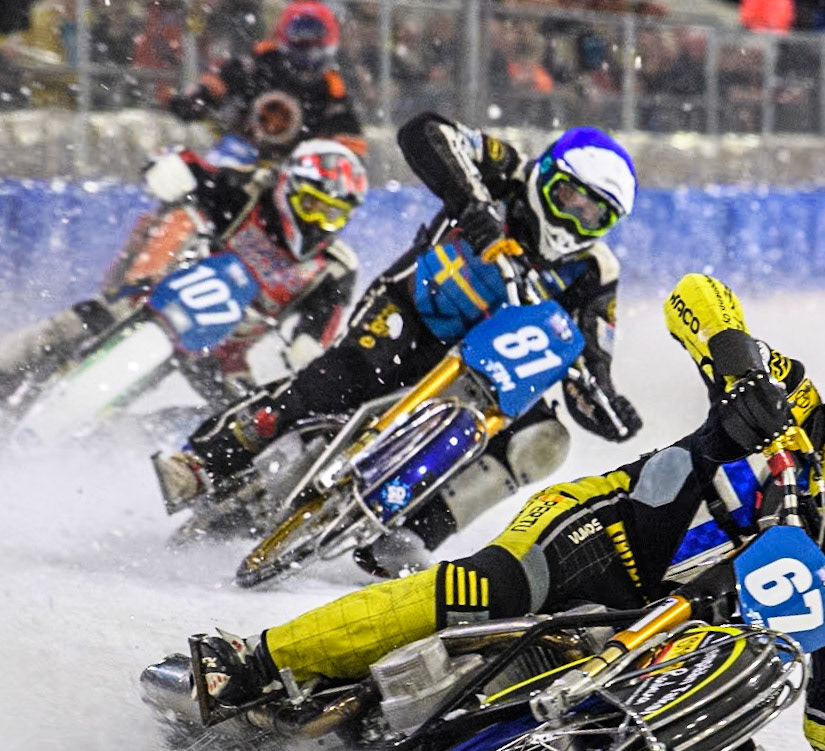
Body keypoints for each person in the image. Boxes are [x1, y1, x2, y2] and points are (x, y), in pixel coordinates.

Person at [179, 272, 825, 751]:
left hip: (669, 652)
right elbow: (697, 298)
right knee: (482, 587)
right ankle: (250, 663)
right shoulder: (795, 397)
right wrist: (738, 372)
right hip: (606, 536)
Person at [152, 111, 643, 575]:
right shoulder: (507, 171)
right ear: (544, 177)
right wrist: (473, 207)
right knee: (340, 377)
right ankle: (200, 462)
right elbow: (423, 131)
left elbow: (594, 357)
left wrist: (607, 405)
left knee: (545, 441)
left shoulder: (598, 272)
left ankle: (411, 535)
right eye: (568, 199)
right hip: (411, 312)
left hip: (486, 371)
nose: (573, 219)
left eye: (592, 215)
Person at [0, 139, 367, 424]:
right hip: (165, 298)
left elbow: (319, 332)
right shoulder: (248, 191)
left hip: (226, 352)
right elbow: (188, 166)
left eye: (335, 214)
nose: (321, 222)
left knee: (249, 423)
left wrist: (309, 353)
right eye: (312, 206)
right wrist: (168, 168)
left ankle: (139, 452)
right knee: (79, 322)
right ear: (289, 189)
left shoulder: (334, 267)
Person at [167, 1, 366, 166]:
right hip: (242, 152)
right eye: (300, 35)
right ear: (285, 35)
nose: (307, 45)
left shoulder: (331, 88)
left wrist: (337, 157)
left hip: (294, 169)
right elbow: (219, 82)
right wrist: (196, 98)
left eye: (314, 37)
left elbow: (351, 143)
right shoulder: (261, 60)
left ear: (328, 40)